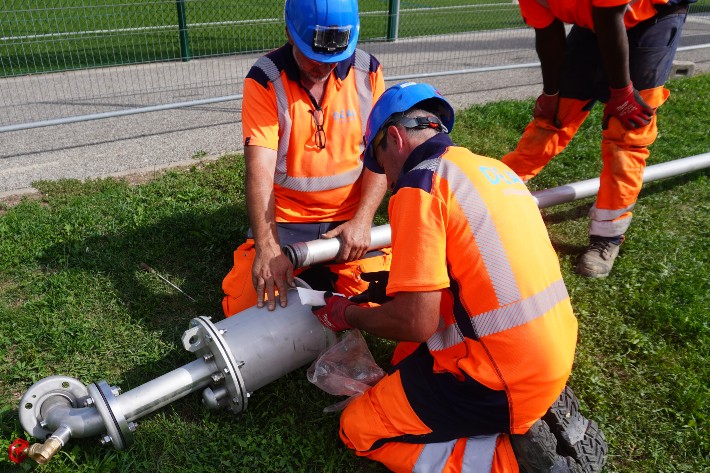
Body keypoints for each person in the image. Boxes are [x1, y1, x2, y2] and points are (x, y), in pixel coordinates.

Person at [310, 82, 587, 472]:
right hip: (551, 350)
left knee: (357, 428)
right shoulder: (492, 169)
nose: (386, 180)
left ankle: (507, 460)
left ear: (394, 137)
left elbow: (416, 322)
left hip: (497, 379)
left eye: (380, 162)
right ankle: (531, 404)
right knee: (403, 362)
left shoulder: (418, 185)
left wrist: (347, 315)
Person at [502, 0, 694, 278]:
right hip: (597, 20)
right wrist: (551, 93)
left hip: (651, 16)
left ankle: (607, 236)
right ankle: (492, 193)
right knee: (554, 116)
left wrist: (623, 93)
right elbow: (548, 32)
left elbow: (609, 15)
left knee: (627, 130)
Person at [221, 0, 390, 315]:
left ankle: (322, 274)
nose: (323, 68)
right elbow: (258, 172)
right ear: (288, 32)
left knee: (382, 299)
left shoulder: (368, 71)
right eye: (313, 57)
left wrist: (363, 220)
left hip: (347, 220)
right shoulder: (265, 79)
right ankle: (316, 274)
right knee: (245, 309)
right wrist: (269, 246)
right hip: (287, 221)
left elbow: (382, 157)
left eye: (334, 58)